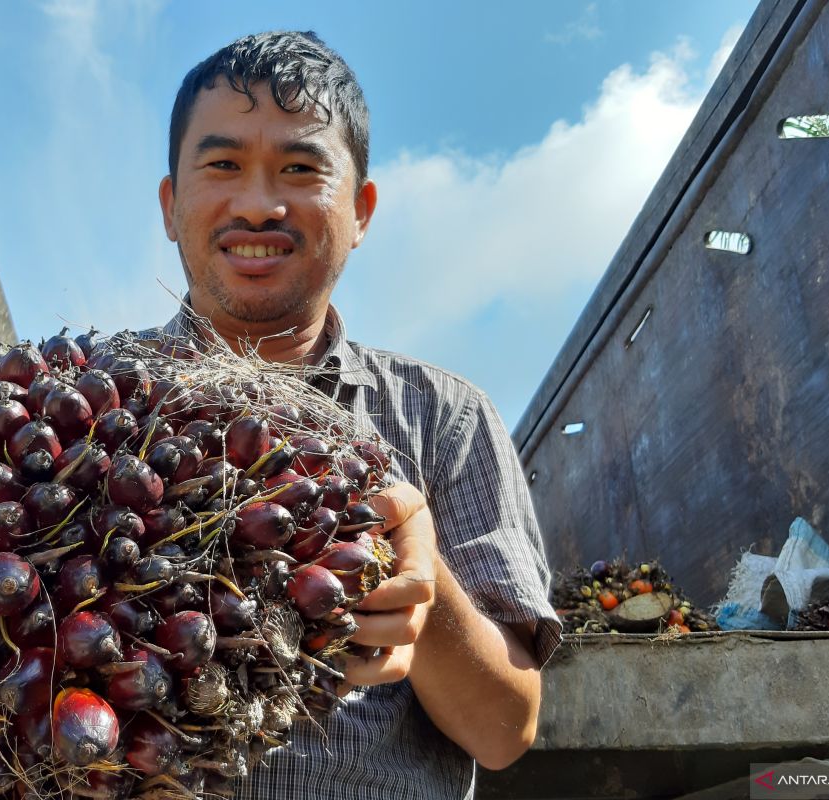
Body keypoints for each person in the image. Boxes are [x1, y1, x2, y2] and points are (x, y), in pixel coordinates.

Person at [148, 31, 561, 799]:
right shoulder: (92, 406)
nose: (259, 204)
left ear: (361, 209)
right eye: (222, 165)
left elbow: (507, 731)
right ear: (172, 205)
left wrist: (413, 573)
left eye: (300, 169)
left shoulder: (445, 418)